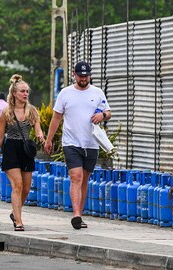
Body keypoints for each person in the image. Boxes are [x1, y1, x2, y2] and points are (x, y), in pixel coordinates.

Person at [44, 61, 111, 230]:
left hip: (91, 143)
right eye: (80, 76)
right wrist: (49, 139)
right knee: (76, 177)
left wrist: (102, 115)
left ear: (90, 75)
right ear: (74, 75)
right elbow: (56, 117)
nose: (83, 79)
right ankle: (76, 214)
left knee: (84, 180)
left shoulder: (97, 92)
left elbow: (108, 112)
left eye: (86, 76)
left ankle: (79, 215)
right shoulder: (65, 93)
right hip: (71, 143)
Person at [0, 74, 44, 232]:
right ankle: (19, 222)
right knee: (17, 186)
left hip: (26, 149)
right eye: (22, 91)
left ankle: (15, 213)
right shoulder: (6, 112)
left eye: (27, 91)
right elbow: (0, 136)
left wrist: (40, 136)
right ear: (14, 93)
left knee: (26, 188)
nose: (25, 94)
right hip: (11, 149)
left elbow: (38, 128)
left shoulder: (32, 111)